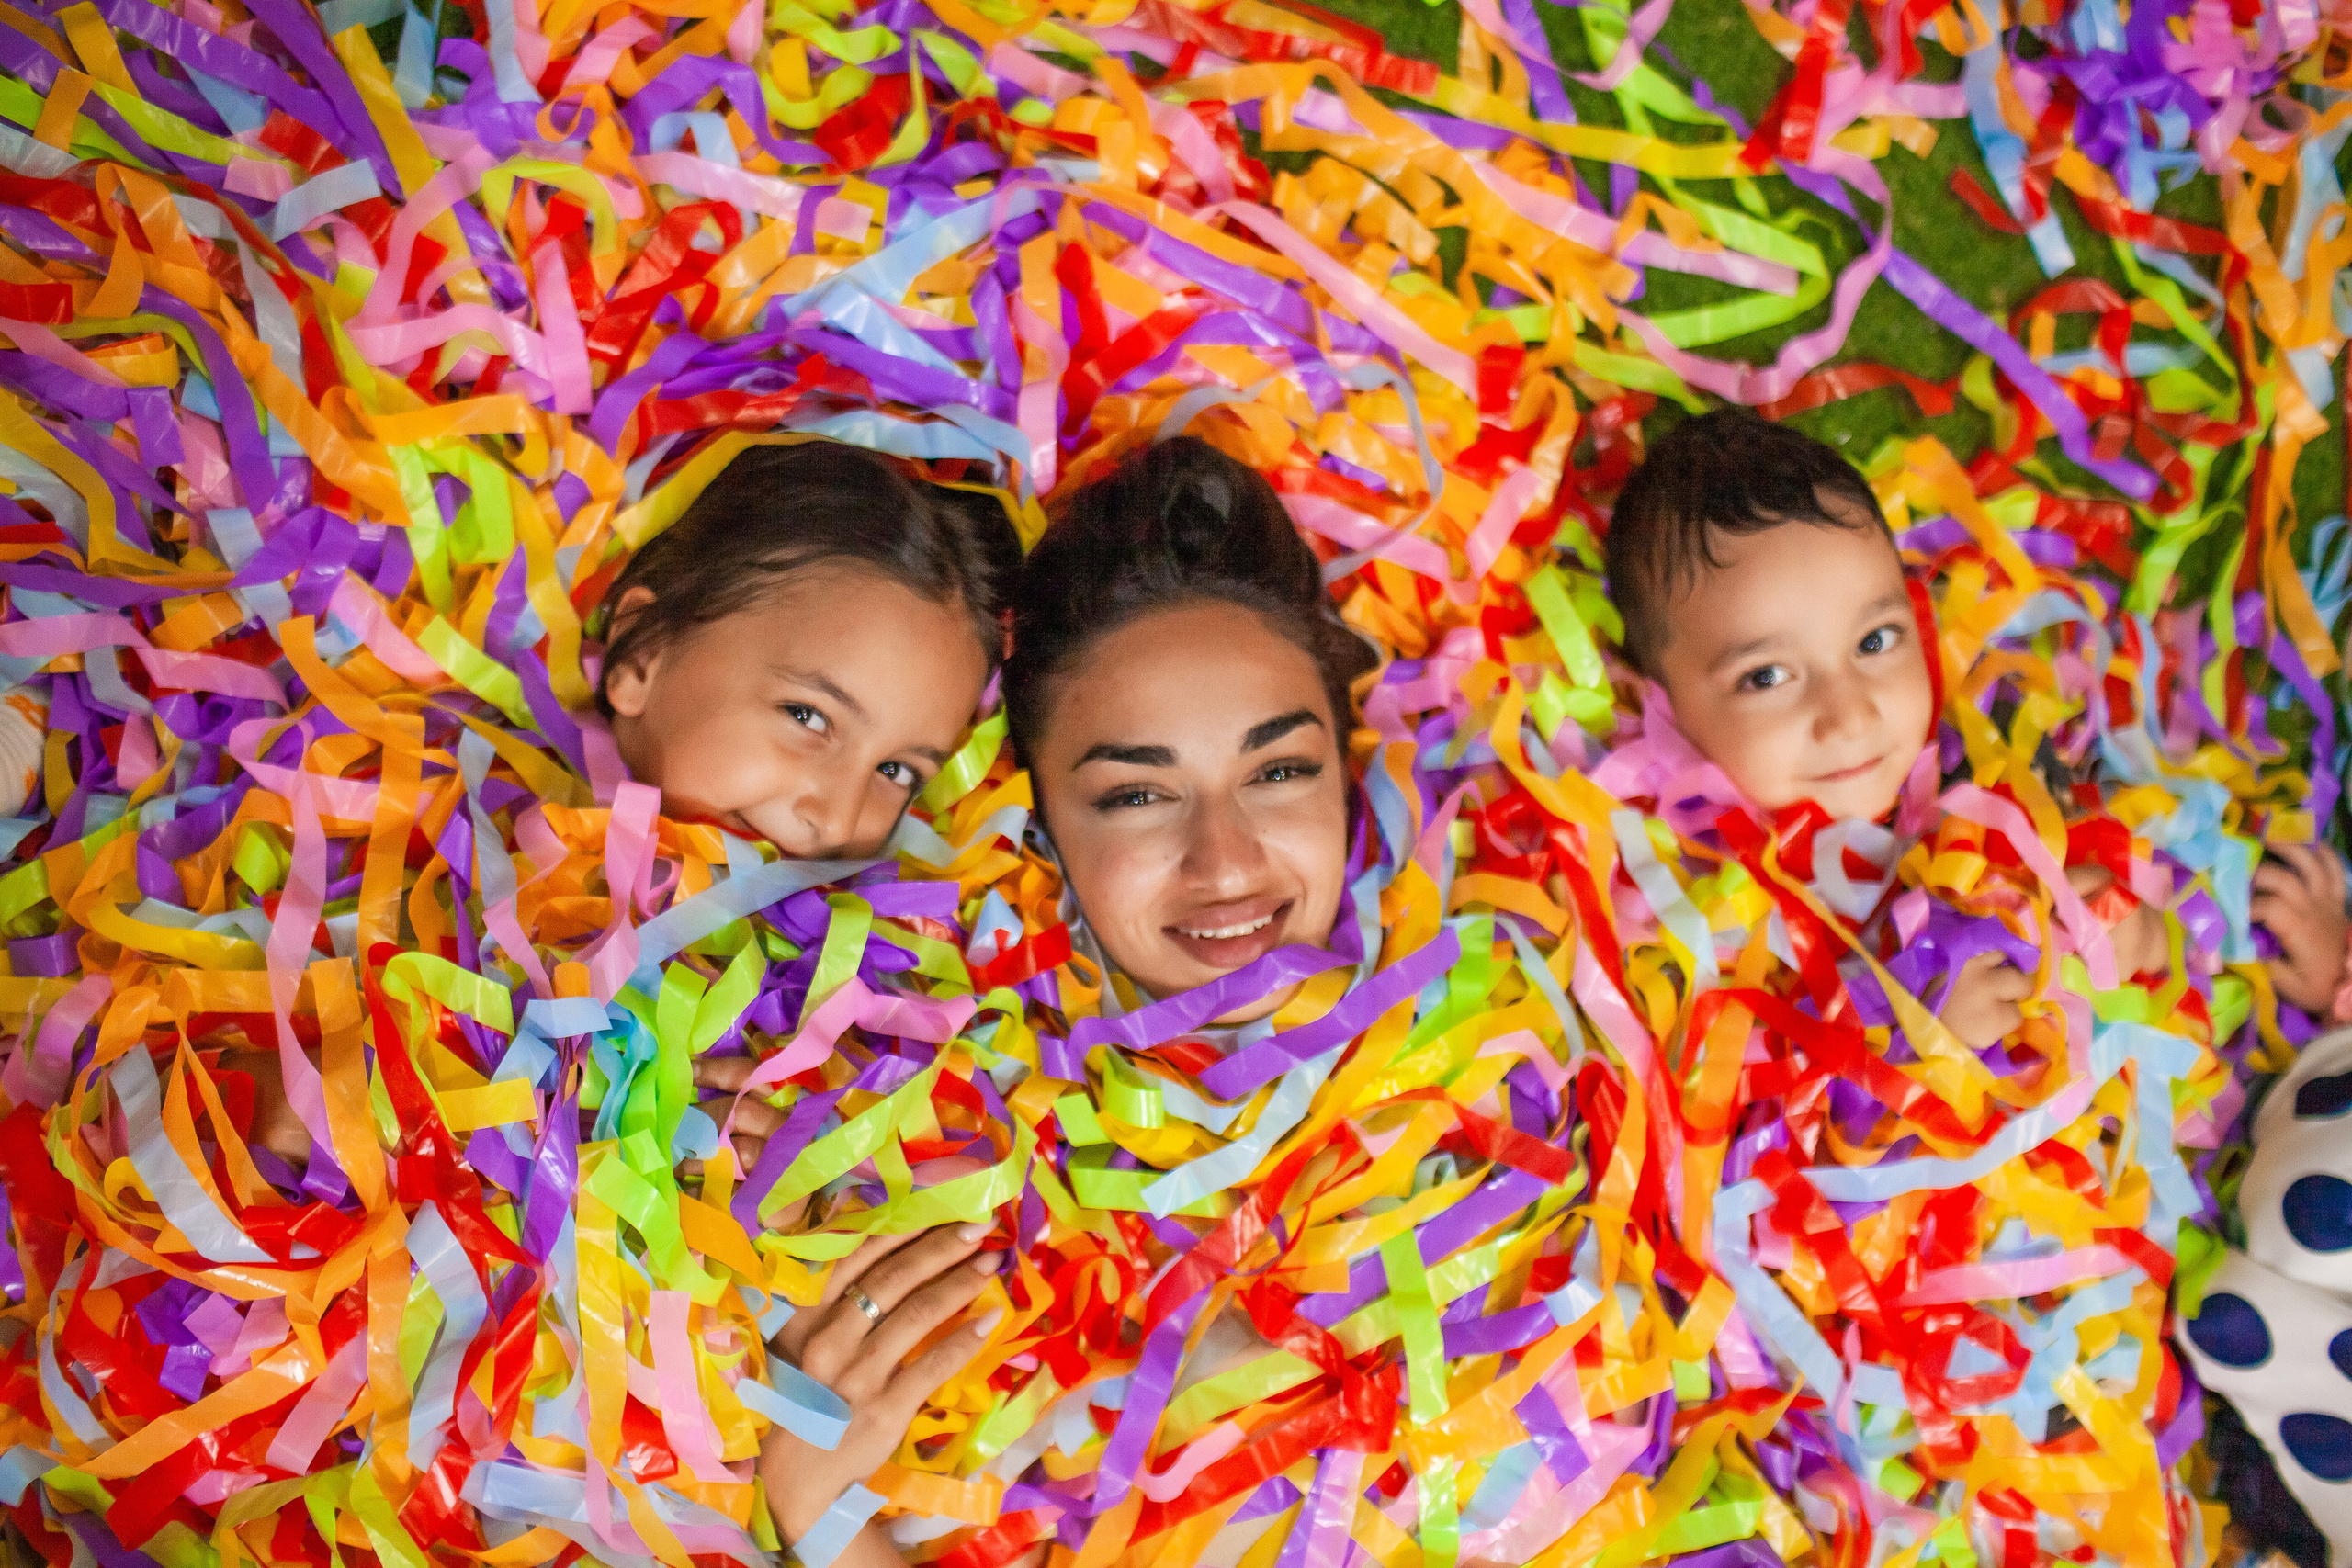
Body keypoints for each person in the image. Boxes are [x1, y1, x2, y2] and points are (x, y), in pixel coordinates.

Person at [222, 438, 1023, 1568]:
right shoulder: (422, 882)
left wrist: (761, 1239)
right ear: (640, 650)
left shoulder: (841, 1017)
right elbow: (249, 1137)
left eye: (899, 769)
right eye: (808, 716)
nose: (833, 810)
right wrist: (574, 1117)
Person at [1600, 408, 2167, 1043]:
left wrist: (2136, 933)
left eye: (1874, 640)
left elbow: (2162, 975)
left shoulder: (1998, 770)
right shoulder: (1677, 914)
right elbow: (1719, 1124)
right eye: (1765, 677)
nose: (1851, 716)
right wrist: (1907, 1049)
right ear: (1657, 704)